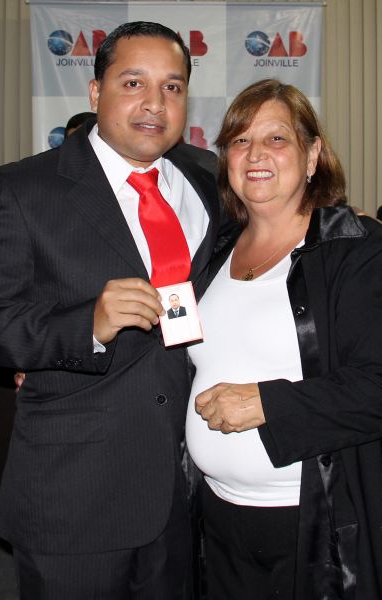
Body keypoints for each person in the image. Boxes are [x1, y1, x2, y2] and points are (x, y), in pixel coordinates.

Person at [0, 21, 234, 599]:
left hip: (189, 486)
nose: (155, 103)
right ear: (96, 92)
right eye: (133, 83)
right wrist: (85, 327)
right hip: (77, 493)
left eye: (172, 87)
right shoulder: (20, 190)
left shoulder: (208, 177)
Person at [186, 79, 382, 599]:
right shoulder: (213, 251)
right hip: (213, 518)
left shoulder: (356, 249)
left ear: (312, 155)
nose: (255, 154)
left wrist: (267, 404)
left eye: (276, 138)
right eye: (240, 140)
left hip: (314, 527)